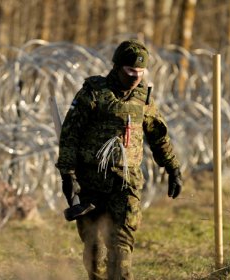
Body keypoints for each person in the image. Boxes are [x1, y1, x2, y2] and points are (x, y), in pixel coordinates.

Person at [56, 39, 182, 280]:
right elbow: (70, 135)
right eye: (130, 70)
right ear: (117, 67)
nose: (136, 76)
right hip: (91, 181)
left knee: (122, 243)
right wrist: (68, 174)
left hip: (127, 182)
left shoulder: (143, 98)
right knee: (95, 248)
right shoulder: (93, 93)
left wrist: (172, 167)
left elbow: (158, 135)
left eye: (140, 71)